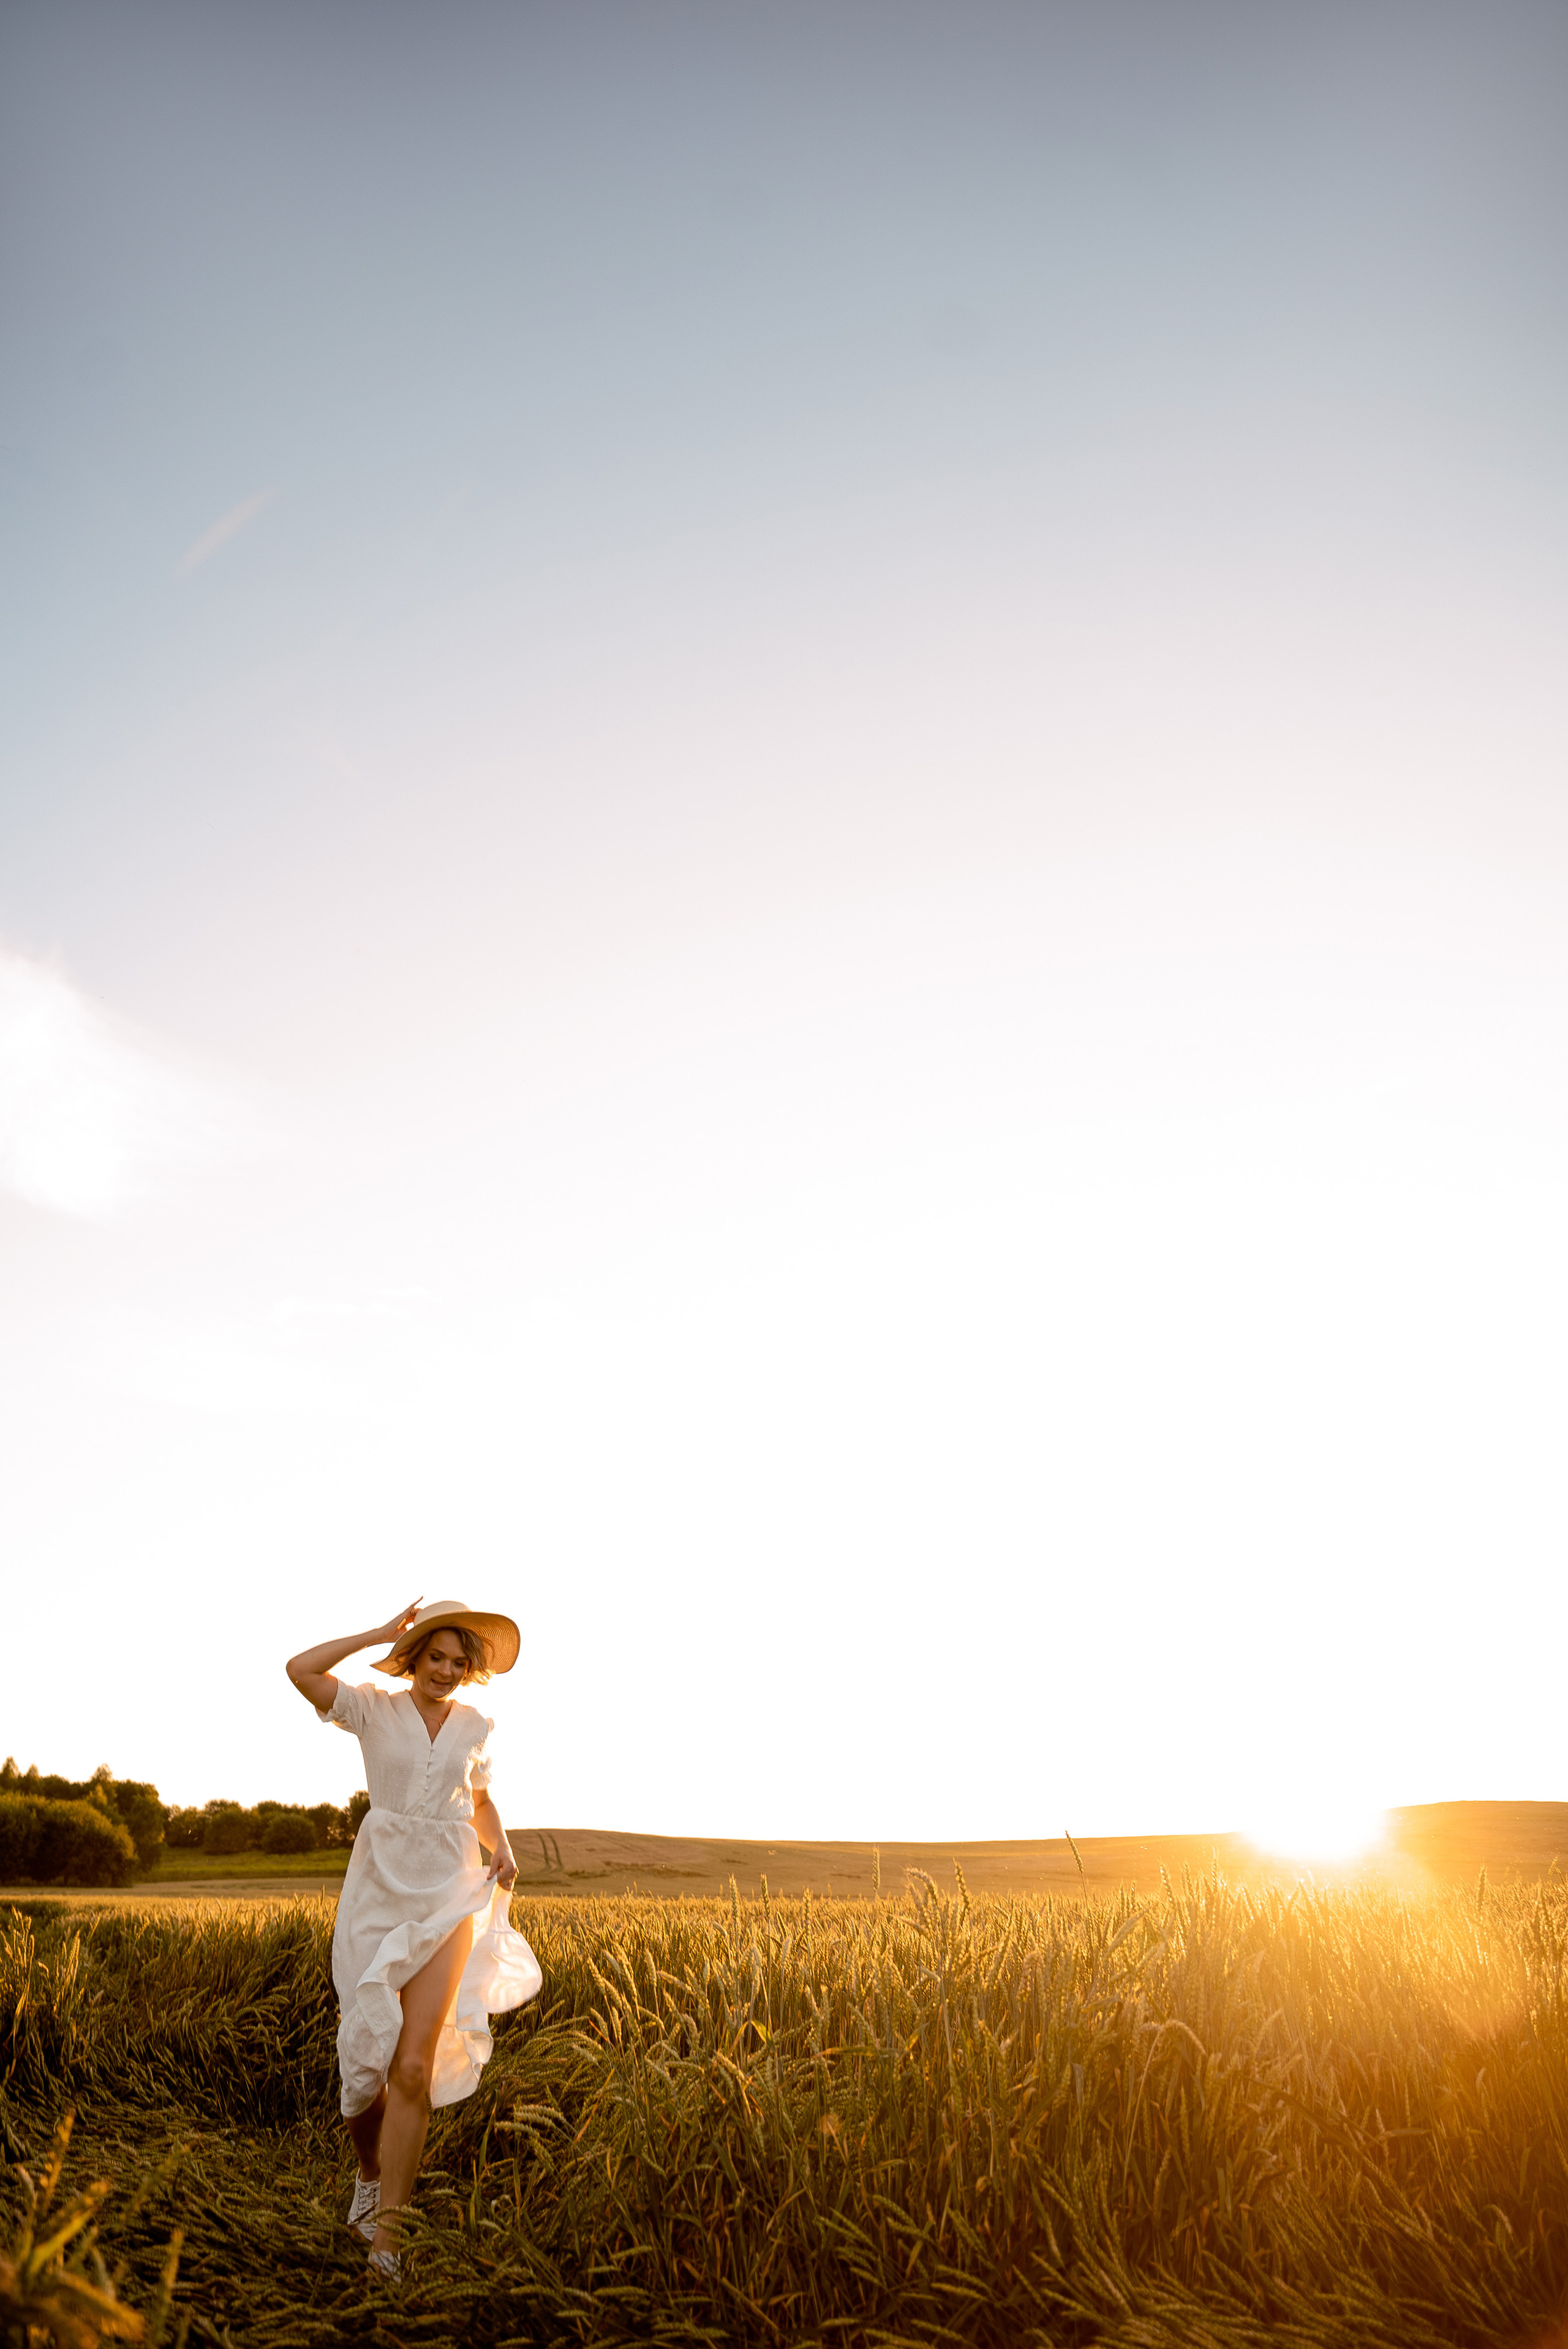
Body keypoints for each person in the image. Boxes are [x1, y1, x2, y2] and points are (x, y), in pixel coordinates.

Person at [286, 1597, 542, 2280]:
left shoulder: (477, 1724)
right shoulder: (372, 1707)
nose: (449, 1672)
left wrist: (503, 1848)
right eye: (438, 1658)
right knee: (362, 2071)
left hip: (451, 1893)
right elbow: (299, 1669)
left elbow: (478, 1799)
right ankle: (369, 2171)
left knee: (411, 2069)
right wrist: (376, 1634)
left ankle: (387, 2245)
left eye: (462, 1664)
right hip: (377, 1892)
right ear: (417, 1656)